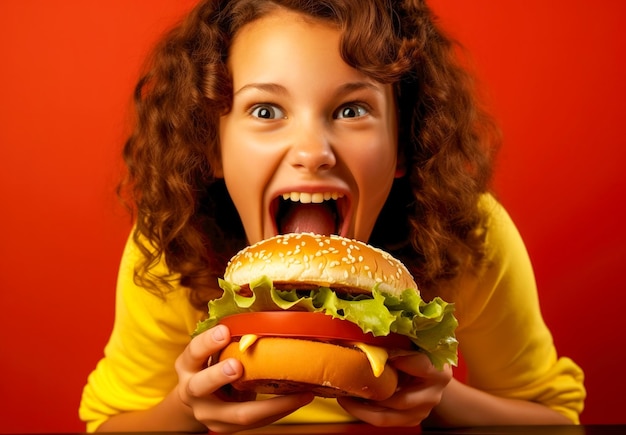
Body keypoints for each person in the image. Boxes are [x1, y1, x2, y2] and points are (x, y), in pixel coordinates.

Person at [79, 0, 586, 432]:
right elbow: (109, 423)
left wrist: (439, 399)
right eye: (265, 111)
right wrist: (186, 408)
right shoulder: (173, 237)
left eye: (351, 110)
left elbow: (558, 420)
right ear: (211, 144)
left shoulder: (465, 230)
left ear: (402, 145)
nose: (313, 152)